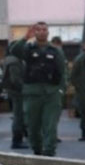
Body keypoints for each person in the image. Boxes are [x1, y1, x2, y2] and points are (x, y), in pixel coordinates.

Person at [9, 22, 66, 156]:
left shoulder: (56, 51)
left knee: (50, 125)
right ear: (35, 32)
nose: (41, 32)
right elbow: (14, 51)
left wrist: (61, 91)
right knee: (32, 126)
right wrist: (25, 37)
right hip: (32, 93)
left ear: (48, 32)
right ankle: (37, 149)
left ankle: (49, 152)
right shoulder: (28, 48)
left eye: (44, 29)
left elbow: (63, 72)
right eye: (38, 30)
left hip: (51, 93)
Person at [0, 47, 27, 149]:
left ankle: (19, 138)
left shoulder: (9, 59)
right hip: (17, 92)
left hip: (13, 91)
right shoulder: (14, 62)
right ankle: (17, 140)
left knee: (19, 115)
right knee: (18, 116)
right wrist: (24, 88)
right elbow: (15, 80)